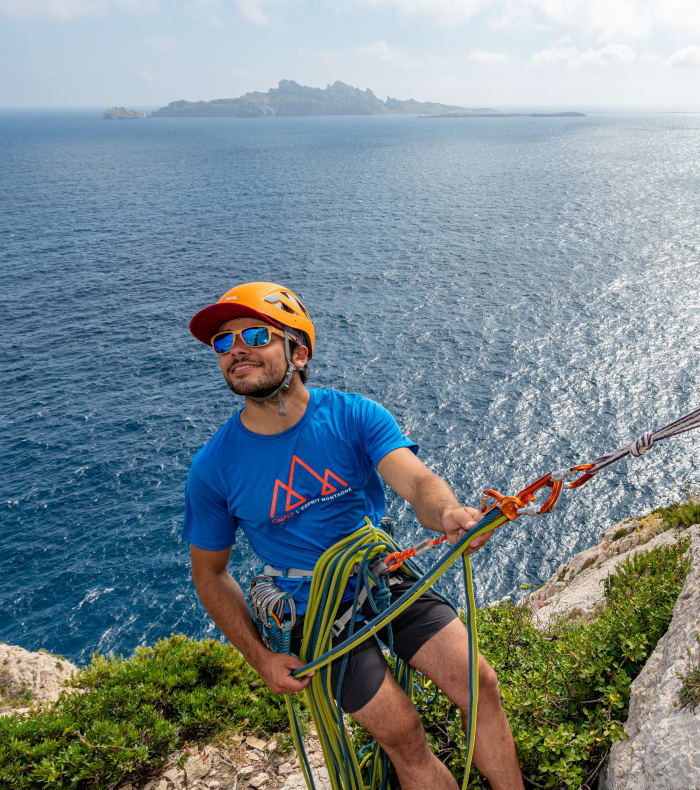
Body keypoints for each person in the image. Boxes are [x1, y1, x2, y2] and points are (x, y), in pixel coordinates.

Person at [183, 282, 524, 790]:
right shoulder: (214, 467)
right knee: (404, 735)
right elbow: (210, 575)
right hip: (311, 610)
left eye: (255, 334)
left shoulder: (353, 415)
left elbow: (416, 481)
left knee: (480, 683)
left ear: (298, 352)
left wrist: (450, 512)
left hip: (382, 574)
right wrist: (262, 658)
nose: (236, 349)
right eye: (223, 342)